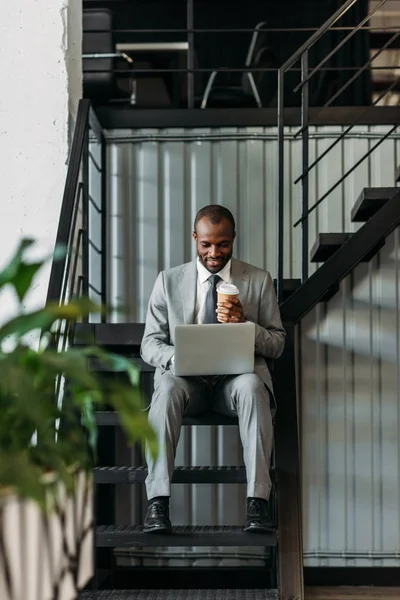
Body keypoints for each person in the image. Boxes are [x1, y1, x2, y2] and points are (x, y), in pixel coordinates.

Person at [140, 204, 286, 534]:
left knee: (251, 385)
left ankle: (258, 503)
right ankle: (157, 502)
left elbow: (277, 343)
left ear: (233, 239)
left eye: (223, 244)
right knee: (165, 387)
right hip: (187, 384)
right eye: (206, 244)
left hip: (232, 385)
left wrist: (245, 324)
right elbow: (149, 343)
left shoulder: (258, 280)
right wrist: (177, 359)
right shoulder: (168, 281)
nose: (214, 253)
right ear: (195, 238)